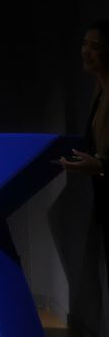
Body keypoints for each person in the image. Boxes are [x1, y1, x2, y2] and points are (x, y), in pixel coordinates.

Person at [60, 20, 109, 290]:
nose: (85, 52)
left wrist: (100, 166)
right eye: (84, 44)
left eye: (95, 47)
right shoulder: (99, 91)